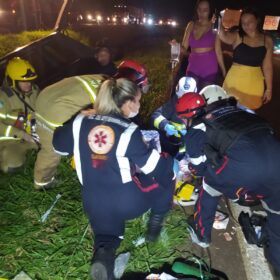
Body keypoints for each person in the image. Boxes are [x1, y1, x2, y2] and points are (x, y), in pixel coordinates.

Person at [52, 78, 175, 280]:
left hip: (93, 201)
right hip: (127, 202)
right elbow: (155, 167)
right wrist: (168, 166)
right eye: (138, 101)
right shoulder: (128, 130)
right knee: (167, 174)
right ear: (127, 103)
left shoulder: (80, 121)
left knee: (107, 237)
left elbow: (58, 146)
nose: (139, 105)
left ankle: (103, 259)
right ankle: (154, 227)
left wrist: (77, 123)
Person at [175, 86, 280, 276]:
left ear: (187, 116)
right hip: (276, 155)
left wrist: (192, 168)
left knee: (210, 185)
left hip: (245, 164)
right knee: (277, 211)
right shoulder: (239, 110)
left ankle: (202, 233)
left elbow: (199, 169)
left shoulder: (198, 127)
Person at [34, 60, 149, 190]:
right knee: (51, 149)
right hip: (53, 109)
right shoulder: (110, 96)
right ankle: (42, 184)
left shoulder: (107, 82)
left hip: (48, 95)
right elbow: (108, 125)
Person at [219, 8, 273, 110]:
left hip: (254, 84)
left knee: (248, 116)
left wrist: (269, 89)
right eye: (243, 23)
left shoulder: (267, 40)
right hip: (234, 83)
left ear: (257, 21)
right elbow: (223, 35)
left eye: (250, 22)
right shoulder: (238, 36)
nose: (246, 25)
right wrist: (219, 21)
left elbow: (267, 66)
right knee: (229, 113)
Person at [0, 57, 39, 173]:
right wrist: (20, 134)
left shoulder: (35, 91)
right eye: (23, 81)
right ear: (12, 81)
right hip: (10, 142)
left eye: (30, 80)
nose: (28, 84)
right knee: (12, 166)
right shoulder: (3, 98)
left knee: (56, 147)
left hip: (33, 136)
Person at [181, 0, 226, 91]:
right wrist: (176, 47)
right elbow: (184, 48)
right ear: (196, 10)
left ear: (210, 11)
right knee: (189, 96)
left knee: (205, 99)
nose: (201, 13)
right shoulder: (191, 25)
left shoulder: (215, 25)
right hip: (193, 67)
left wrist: (224, 71)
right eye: (199, 9)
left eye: (205, 10)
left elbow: (218, 50)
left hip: (209, 68)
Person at [151, 76, 197, 156]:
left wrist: (189, 133)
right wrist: (165, 125)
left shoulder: (198, 108)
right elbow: (155, 116)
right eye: (181, 97)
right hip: (170, 143)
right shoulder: (174, 103)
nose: (182, 101)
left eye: (186, 99)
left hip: (188, 148)